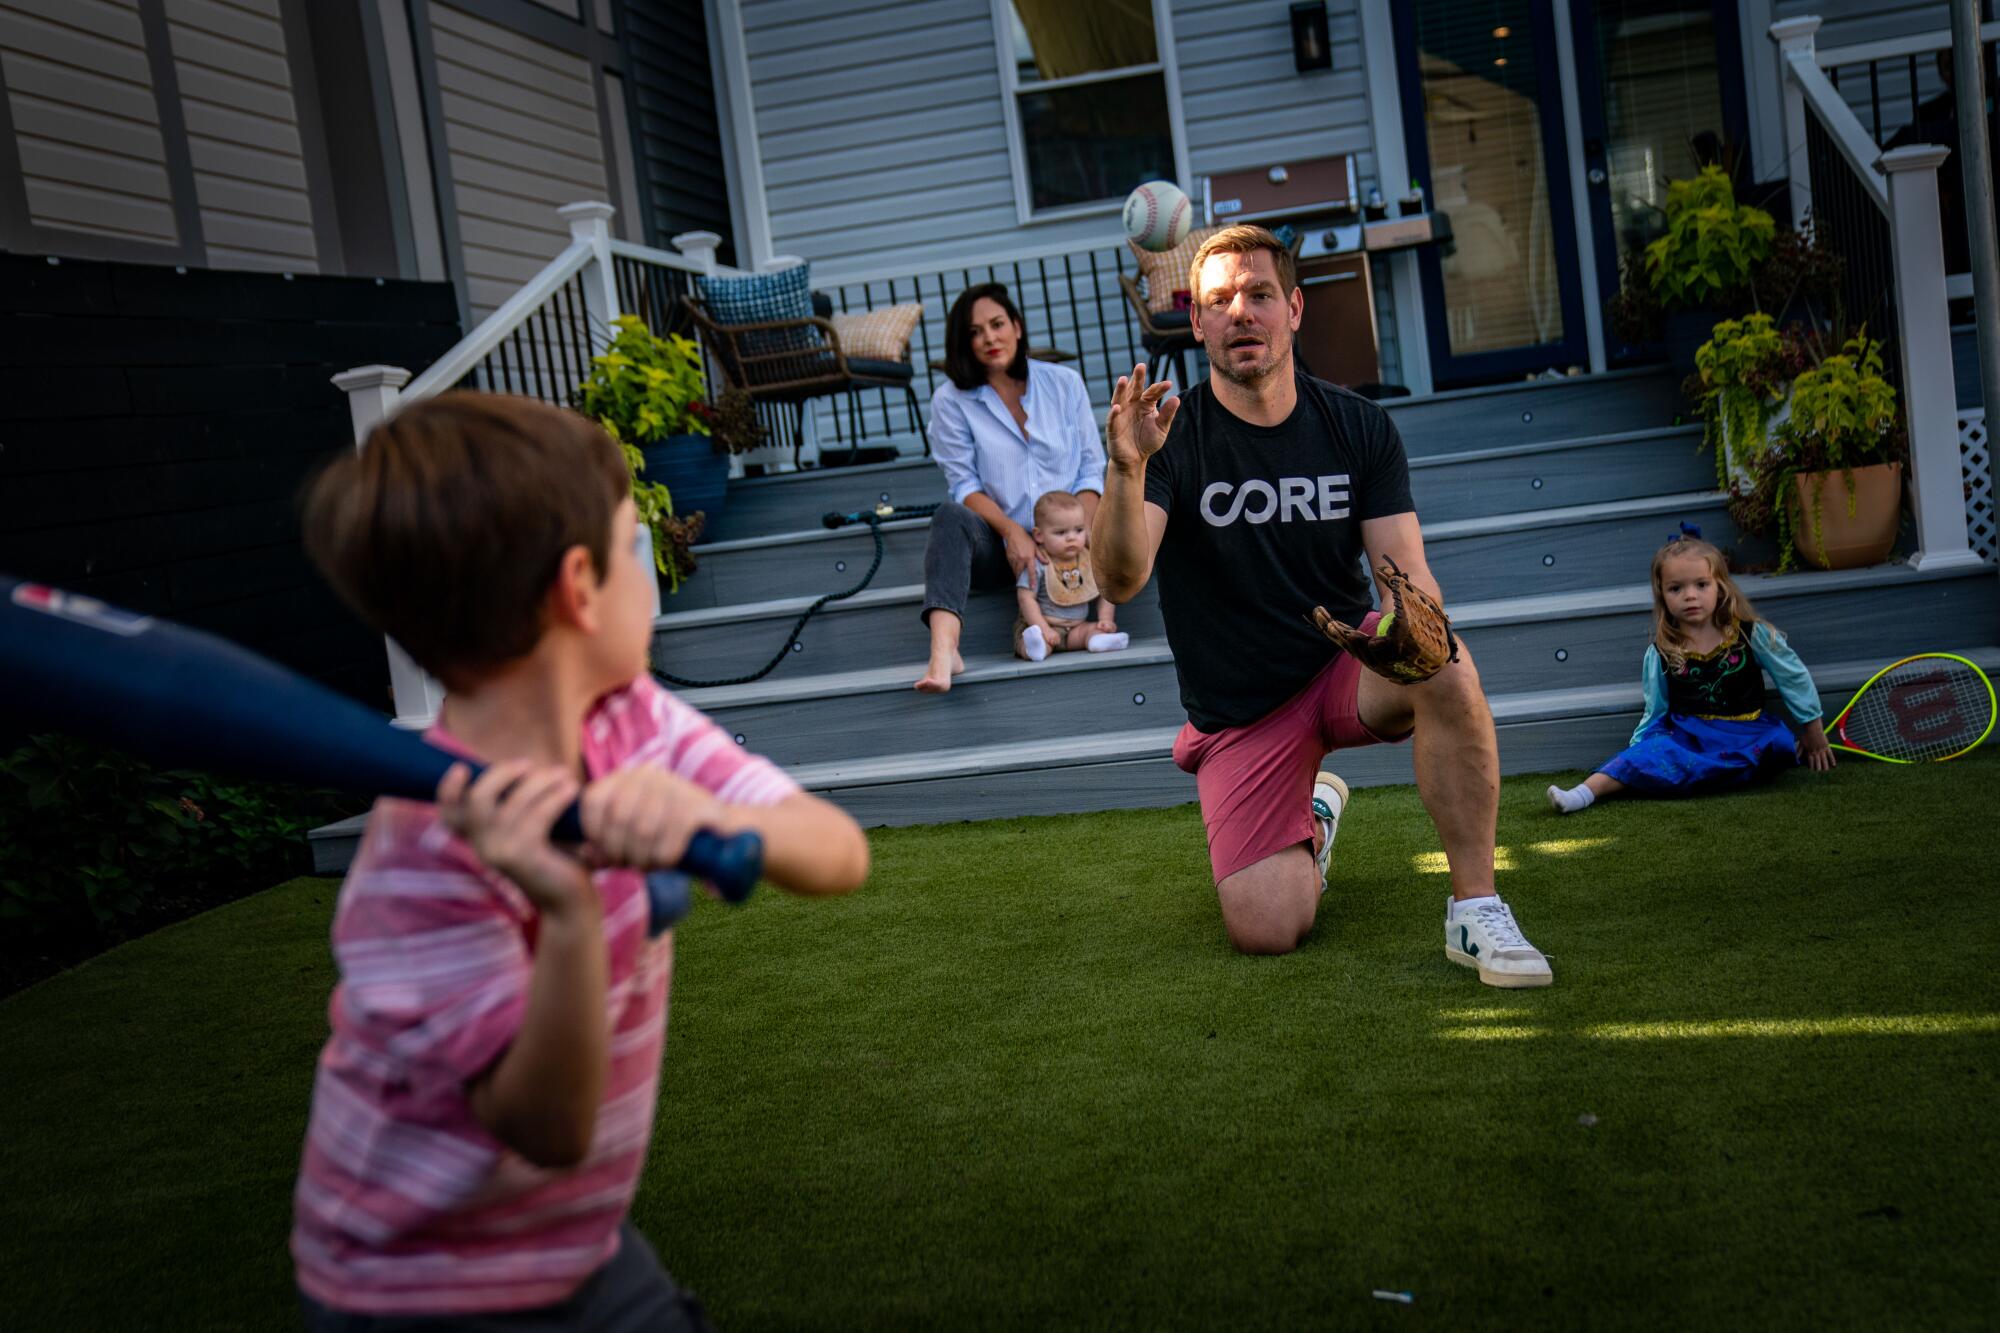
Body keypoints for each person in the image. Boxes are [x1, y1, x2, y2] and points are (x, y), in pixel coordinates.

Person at [291, 393, 870, 1328]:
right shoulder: (423, 855)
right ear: (580, 587)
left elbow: (838, 852)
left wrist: (709, 812)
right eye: (636, 547)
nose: (653, 571)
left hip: (576, 1243)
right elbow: (549, 1129)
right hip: (414, 1282)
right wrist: (565, 914)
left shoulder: (631, 720)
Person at [1089, 224, 1552, 985]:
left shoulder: (1359, 426)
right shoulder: (1170, 440)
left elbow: (1407, 573)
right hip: (1242, 709)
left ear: (1294, 309)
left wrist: (1417, 630)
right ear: (1197, 323)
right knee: (1267, 927)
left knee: (1446, 663)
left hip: (1345, 664)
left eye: (1259, 294)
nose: (1241, 313)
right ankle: (1317, 817)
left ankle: (1476, 910)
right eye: (1220, 301)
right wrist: (1124, 467)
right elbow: (1119, 580)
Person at [1548, 535, 1832, 813]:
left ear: (1720, 586)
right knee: (1654, 753)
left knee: (1775, 746)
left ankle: (1698, 777)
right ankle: (1583, 794)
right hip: (1689, 738)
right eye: (1676, 589)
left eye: (1701, 584)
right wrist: (1639, 751)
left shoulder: (1749, 634)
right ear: (1662, 594)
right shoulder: (1662, 651)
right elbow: (1656, 708)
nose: (1690, 596)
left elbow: (1792, 676)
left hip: (1747, 734)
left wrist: (1812, 728)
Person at [917, 283, 1107, 692]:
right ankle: (944, 650)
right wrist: (1013, 532)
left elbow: (1092, 469)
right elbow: (964, 484)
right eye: (974, 332)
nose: (988, 338)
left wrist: (1077, 532)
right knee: (950, 516)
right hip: (1004, 549)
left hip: (1072, 545)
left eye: (997, 324)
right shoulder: (951, 401)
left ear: (1017, 327)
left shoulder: (1064, 384)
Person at [1014, 489, 1128, 661]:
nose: (1071, 538)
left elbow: (1106, 589)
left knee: (1090, 630)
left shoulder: (1086, 560)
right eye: (1061, 533)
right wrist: (1044, 629)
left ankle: (1098, 640)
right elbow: (1025, 598)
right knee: (1029, 639)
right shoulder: (1039, 563)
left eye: (1079, 530)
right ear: (1039, 535)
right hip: (1042, 624)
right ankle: (1034, 648)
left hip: (1076, 629)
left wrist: (1105, 619)